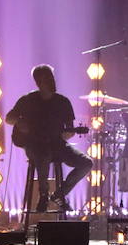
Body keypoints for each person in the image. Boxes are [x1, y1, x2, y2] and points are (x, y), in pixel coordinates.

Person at [6, 64, 92, 212]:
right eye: (47, 78)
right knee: (43, 153)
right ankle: (43, 195)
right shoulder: (28, 100)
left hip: (58, 145)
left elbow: (69, 130)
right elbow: (9, 118)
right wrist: (20, 122)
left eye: (52, 77)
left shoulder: (63, 102)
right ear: (39, 81)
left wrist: (68, 134)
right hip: (34, 145)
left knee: (86, 163)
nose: (52, 81)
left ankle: (59, 194)